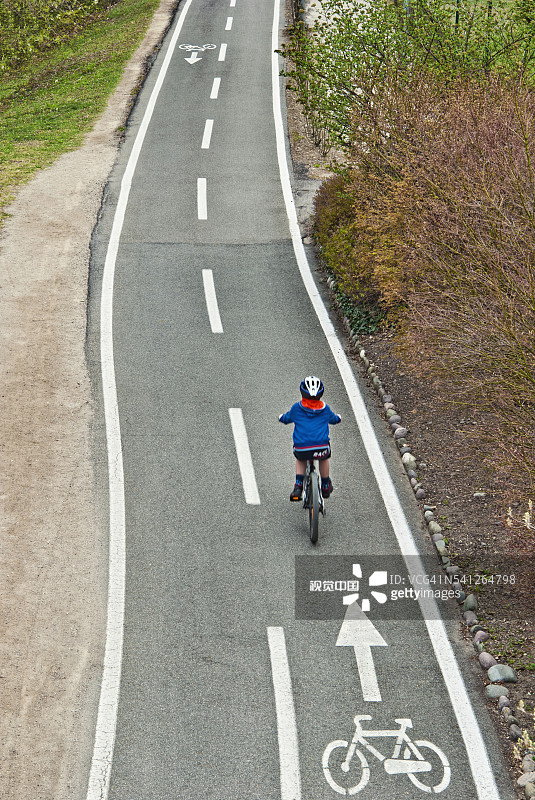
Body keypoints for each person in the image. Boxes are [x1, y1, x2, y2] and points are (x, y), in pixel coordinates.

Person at [279, 376, 341, 501]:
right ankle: (325, 485)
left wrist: (281, 417)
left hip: (302, 447)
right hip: (321, 447)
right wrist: (339, 417)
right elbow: (334, 420)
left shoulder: (296, 408)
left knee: (301, 459)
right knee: (324, 459)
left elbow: (286, 418)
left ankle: (298, 485)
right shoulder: (325, 409)